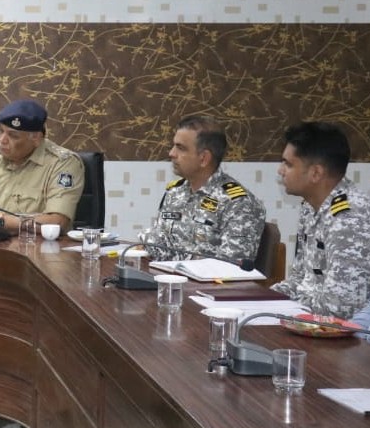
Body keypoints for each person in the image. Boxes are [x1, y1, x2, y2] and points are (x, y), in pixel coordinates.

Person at [271, 121, 370, 319]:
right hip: (312, 319)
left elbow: (340, 307)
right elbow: (300, 279)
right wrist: (262, 298)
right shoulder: (310, 206)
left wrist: (287, 308)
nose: (280, 171)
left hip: (347, 331)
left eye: (288, 164)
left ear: (316, 173)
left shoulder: (349, 217)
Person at [142, 115, 266, 265]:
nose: (171, 153)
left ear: (204, 158)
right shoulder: (175, 192)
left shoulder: (239, 204)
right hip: (164, 276)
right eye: (174, 146)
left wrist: (168, 253)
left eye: (181, 148)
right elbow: (157, 242)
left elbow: (230, 266)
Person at [0, 99, 84, 234]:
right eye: (0, 131)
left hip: (35, 246)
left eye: (13, 135)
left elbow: (58, 222)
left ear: (36, 138)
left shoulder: (62, 163)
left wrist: (0, 221)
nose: (2, 140)